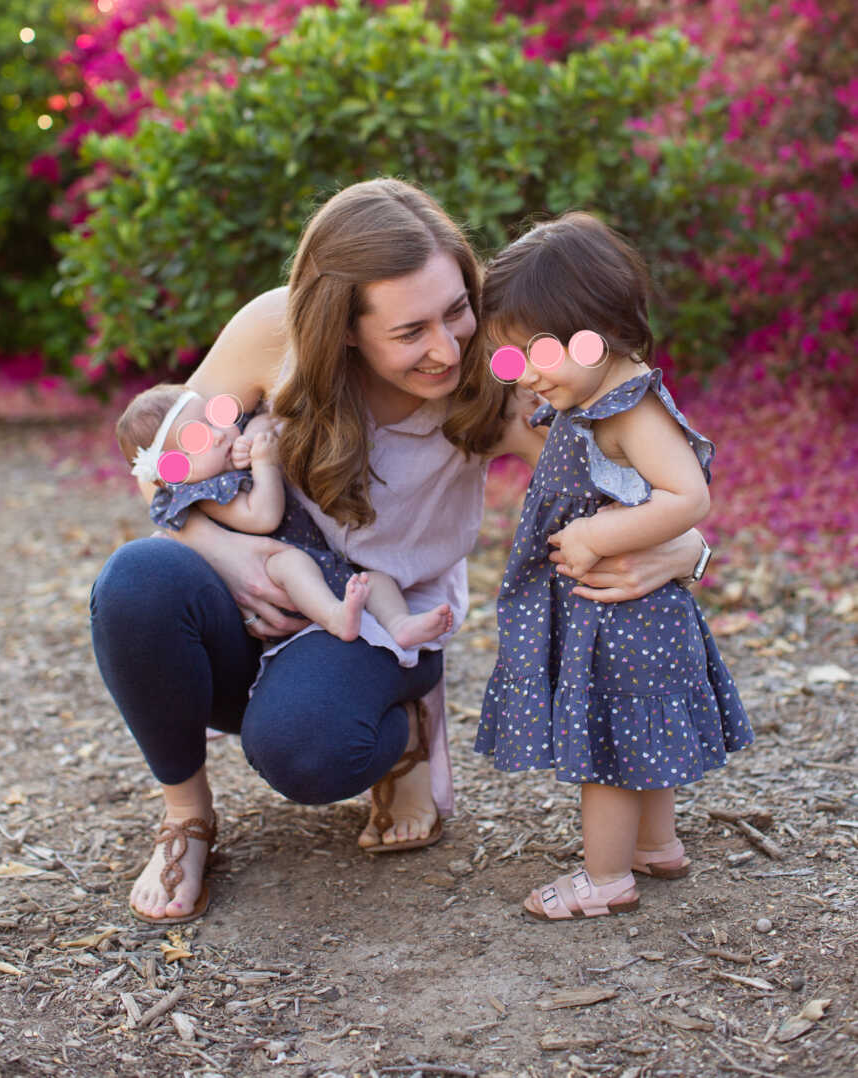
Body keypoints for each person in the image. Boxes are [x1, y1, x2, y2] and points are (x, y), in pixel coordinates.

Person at [89, 179, 707, 925]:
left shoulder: (501, 373)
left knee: (302, 752)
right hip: (268, 586)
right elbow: (164, 466)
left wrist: (688, 551)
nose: (447, 347)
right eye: (410, 331)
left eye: (456, 311)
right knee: (135, 584)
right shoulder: (269, 334)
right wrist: (225, 549)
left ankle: (403, 721)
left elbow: (655, 478)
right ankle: (186, 818)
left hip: (388, 615)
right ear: (343, 327)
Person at [474, 211, 754, 921]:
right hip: (619, 614)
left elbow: (689, 495)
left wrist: (603, 533)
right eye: (511, 360)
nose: (528, 376)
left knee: (607, 750)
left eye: (536, 353)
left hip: (627, 615)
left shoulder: (631, 411)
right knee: (638, 734)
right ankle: (656, 846)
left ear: (598, 328)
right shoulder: (593, 399)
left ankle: (604, 879)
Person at [115, 383, 453, 647]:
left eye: (213, 419)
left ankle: (399, 625)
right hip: (274, 576)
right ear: (172, 472)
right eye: (196, 438)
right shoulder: (204, 495)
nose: (219, 435)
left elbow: (263, 416)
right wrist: (264, 463)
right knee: (291, 564)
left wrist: (252, 436)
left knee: (373, 578)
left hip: (321, 556)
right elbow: (264, 517)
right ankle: (335, 616)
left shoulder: (228, 452)